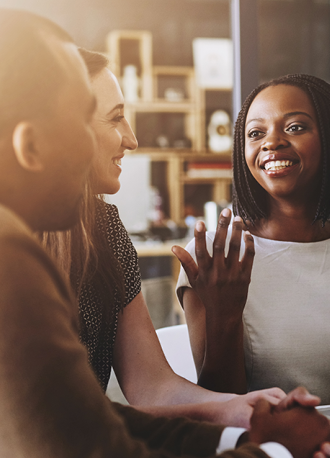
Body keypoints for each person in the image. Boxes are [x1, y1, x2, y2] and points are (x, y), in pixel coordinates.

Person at [0, 8, 330, 458]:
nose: (129, 141)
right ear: (31, 146)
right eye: (87, 116)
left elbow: (77, 420)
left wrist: (237, 438)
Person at [41, 48, 285, 428]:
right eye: (116, 118)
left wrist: (239, 407)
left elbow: (152, 386)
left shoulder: (106, 229)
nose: (132, 140)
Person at [174, 74, 330, 404]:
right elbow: (219, 407)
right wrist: (226, 312)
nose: (271, 142)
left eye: (295, 127)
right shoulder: (213, 256)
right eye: (256, 133)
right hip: (251, 449)